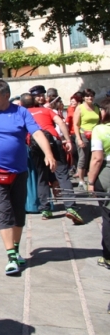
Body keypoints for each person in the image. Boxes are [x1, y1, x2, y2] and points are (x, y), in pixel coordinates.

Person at [0, 79, 56, 275]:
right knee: (4, 210)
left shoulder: (21, 112)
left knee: (18, 211)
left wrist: (48, 153)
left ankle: (15, 251)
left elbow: (37, 133)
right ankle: (11, 257)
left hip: (18, 171)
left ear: (6, 96)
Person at [23, 88, 81, 223]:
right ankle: (70, 207)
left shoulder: (24, 113)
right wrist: (68, 140)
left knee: (41, 176)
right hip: (53, 141)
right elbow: (60, 122)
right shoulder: (46, 110)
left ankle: (45, 209)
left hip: (35, 145)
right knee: (62, 175)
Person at [86, 97, 110, 268]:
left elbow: (97, 159)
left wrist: (90, 181)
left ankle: (108, 256)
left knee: (108, 216)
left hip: (107, 173)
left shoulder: (100, 130)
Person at [74, 88, 100, 188]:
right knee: (83, 158)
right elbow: (76, 125)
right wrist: (79, 139)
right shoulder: (80, 108)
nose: (90, 98)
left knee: (95, 157)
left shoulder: (96, 107)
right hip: (83, 135)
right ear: (84, 98)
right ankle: (81, 180)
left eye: (92, 96)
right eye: (87, 96)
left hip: (96, 135)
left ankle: (92, 179)